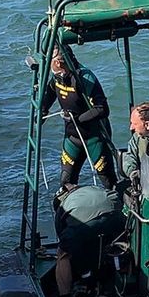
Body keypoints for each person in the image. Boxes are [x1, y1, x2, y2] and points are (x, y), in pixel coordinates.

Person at [40, 49, 117, 191]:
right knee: (66, 181)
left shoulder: (85, 78)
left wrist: (77, 119)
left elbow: (102, 109)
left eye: (57, 71)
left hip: (94, 137)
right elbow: (51, 90)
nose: (56, 75)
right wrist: (43, 110)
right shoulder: (57, 76)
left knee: (108, 181)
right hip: (72, 137)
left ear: (59, 62)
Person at [50, 183, 125, 297]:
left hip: (85, 224)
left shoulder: (62, 206)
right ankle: (118, 275)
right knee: (114, 241)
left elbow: (66, 245)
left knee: (63, 255)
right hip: (116, 214)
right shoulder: (91, 188)